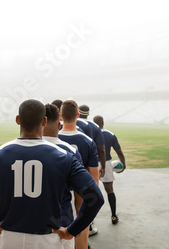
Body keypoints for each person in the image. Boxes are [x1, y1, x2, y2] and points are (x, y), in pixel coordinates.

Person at [0, 99, 104, 249]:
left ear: (17, 120)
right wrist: (72, 231)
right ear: (44, 121)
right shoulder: (65, 157)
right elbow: (95, 198)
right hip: (49, 240)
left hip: (9, 239)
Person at [58, 100, 100, 249]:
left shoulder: (53, 138)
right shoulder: (88, 141)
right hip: (81, 189)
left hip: (59, 191)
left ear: (60, 115)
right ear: (77, 115)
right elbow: (94, 175)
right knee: (81, 225)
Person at [43, 103, 83, 249]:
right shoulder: (70, 151)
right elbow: (81, 192)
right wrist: (78, 222)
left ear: (41, 122)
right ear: (59, 125)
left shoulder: (20, 150)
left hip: (27, 224)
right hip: (62, 221)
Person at [77, 104, 106, 236]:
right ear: (88, 113)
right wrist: (103, 166)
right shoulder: (94, 127)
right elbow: (101, 149)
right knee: (88, 198)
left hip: (69, 168)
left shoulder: (66, 124)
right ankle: (87, 228)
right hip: (87, 167)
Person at [93, 115, 126, 225]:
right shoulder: (110, 134)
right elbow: (119, 152)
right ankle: (113, 215)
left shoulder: (89, 134)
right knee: (109, 189)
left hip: (92, 164)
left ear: (93, 122)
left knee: (91, 191)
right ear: (103, 122)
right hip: (106, 163)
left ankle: (90, 221)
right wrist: (123, 164)